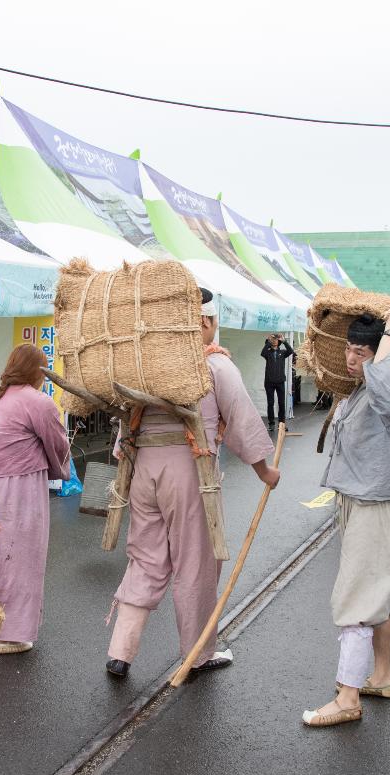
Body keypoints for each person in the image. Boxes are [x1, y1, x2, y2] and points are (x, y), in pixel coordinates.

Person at [105, 288, 279, 678]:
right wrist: (264, 471)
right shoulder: (213, 366)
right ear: (203, 323)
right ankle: (198, 653)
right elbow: (241, 422)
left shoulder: (145, 365)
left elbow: (125, 431)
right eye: (214, 324)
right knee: (195, 564)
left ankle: (120, 651)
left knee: (145, 559)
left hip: (143, 471)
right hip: (189, 471)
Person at [302, 305, 390, 728]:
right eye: (349, 350)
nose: (351, 359)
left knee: (356, 597)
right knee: (377, 592)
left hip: (374, 503)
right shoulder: (360, 389)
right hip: (357, 499)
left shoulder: (389, 385)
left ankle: (347, 697)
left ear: (379, 353)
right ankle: (382, 676)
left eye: (360, 353)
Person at [0, 344, 71, 654]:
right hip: (20, 487)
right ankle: (8, 633)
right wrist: (61, 468)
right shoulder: (37, 401)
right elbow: (57, 443)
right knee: (22, 558)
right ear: (38, 371)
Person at [261, 332, 294, 429]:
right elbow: (262, 353)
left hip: (280, 382)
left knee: (281, 403)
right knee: (270, 403)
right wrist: (268, 341)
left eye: (276, 339)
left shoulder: (283, 352)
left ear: (279, 341)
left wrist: (284, 341)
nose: (275, 341)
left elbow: (291, 350)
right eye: (273, 339)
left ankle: (281, 423)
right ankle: (271, 424)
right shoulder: (267, 352)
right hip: (269, 382)